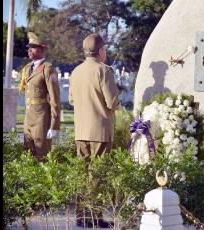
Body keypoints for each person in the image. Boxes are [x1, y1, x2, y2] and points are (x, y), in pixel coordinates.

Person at [69, 33, 121, 228]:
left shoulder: (76, 71)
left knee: (83, 175)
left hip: (81, 131)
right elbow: (112, 102)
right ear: (100, 51)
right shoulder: (104, 70)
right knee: (97, 175)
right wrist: (119, 106)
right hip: (99, 131)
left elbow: (73, 100)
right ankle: (95, 218)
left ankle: (82, 217)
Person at [19, 32, 61, 161]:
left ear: (42, 49)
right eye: (28, 47)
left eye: (33, 47)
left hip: (42, 121)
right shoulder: (27, 69)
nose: (29, 50)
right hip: (28, 119)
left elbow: (55, 99)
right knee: (27, 156)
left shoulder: (48, 69)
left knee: (42, 157)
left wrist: (54, 126)